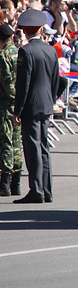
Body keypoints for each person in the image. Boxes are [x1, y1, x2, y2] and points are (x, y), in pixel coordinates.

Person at [12, 9, 60, 203]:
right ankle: (47, 190)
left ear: (25, 31)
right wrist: (52, 100)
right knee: (44, 147)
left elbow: (24, 84)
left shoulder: (25, 51)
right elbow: (57, 80)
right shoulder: (50, 50)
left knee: (32, 149)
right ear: (41, 29)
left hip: (31, 106)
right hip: (46, 104)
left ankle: (36, 190)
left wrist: (18, 110)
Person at [0, 23, 22, 197]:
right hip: (19, 105)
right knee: (16, 143)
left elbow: (7, 83)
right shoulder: (19, 52)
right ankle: (16, 183)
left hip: (7, 104)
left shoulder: (3, 55)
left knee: (6, 142)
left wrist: (12, 100)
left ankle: (5, 184)